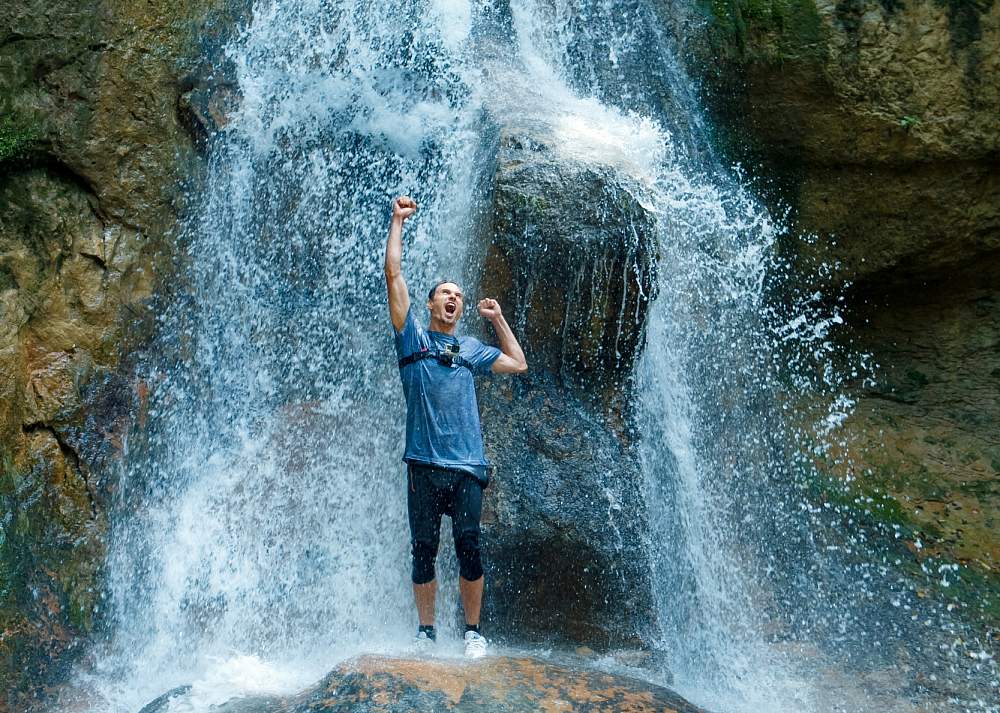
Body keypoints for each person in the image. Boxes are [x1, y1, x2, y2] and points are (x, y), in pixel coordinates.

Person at [384, 195, 527, 659]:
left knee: (469, 547)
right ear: (430, 303)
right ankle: (426, 633)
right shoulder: (412, 340)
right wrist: (397, 221)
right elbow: (393, 275)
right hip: (424, 464)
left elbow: (518, 363)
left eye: (459, 296)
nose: (453, 298)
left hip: (467, 466)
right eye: (445, 293)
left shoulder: (470, 348)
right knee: (423, 549)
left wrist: (498, 319)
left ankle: (473, 633)